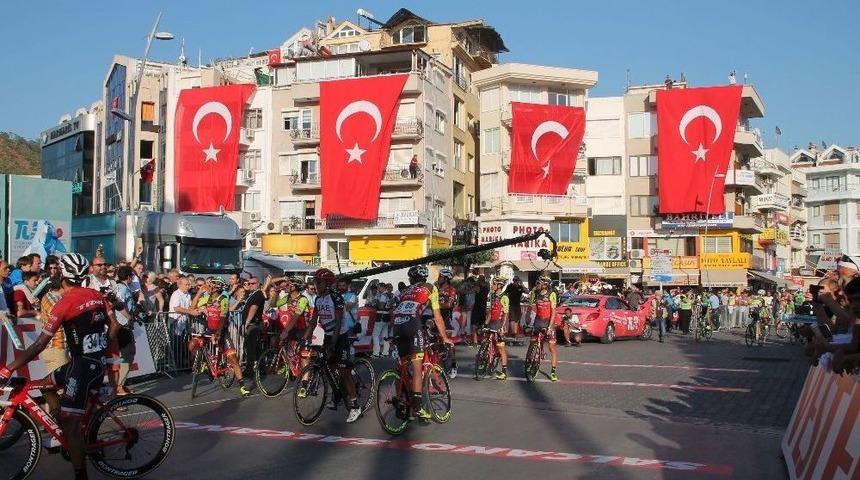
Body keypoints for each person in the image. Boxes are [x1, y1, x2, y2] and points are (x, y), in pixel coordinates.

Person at [1, 253, 120, 480]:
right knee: (44, 386)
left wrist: (10, 368)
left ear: (63, 274)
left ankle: (80, 472)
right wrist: (102, 347)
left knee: (71, 424)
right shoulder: (97, 295)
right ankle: (65, 426)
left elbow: (39, 345)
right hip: (90, 363)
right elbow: (114, 325)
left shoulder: (64, 303)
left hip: (82, 368)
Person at [298, 268, 362, 423]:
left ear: (327, 284)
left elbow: (339, 322)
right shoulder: (318, 299)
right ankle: (337, 395)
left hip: (341, 337)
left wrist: (333, 343)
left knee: (344, 371)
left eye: (318, 282)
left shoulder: (336, 298)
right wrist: (304, 339)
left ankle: (355, 406)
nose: (315, 285)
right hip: (328, 336)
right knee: (329, 368)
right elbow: (313, 322)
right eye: (315, 282)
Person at [389, 265, 453, 420]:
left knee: (401, 366)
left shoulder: (405, 291)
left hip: (397, 324)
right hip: (412, 324)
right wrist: (444, 337)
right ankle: (417, 408)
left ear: (411, 279)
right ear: (424, 278)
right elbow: (437, 316)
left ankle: (401, 400)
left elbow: (396, 311)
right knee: (417, 365)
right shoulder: (431, 288)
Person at [195, 277, 250, 397]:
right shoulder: (207, 298)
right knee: (194, 342)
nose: (209, 287)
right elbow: (193, 306)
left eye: (211, 285)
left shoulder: (223, 299)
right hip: (210, 329)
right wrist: (199, 293)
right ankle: (205, 363)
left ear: (216, 288)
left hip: (222, 331)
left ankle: (242, 386)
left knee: (233, 359)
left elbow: (223, 317)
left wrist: (218, 333)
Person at [529, 275, 559, 381]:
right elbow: (531, 308)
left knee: (552, 347)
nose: (537, 284)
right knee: (533, 342)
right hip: (538, 321)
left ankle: (553, 371)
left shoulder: (551, 294)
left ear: (545, 285)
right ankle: (533, 360)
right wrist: (528, 320)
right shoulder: (535, 293)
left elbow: (553, 312)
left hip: (548, 322)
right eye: (537, 282)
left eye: (539, 283)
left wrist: (550, 327)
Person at [113, 266, 137, 396]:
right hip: (122, 327)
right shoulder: (122, 288)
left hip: (121, 326)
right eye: (132, 276)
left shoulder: (120, 287)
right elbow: (119, 305)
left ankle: (120, 383)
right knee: (127, 355)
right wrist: (129, 317)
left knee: (125, 355)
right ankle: (119, 386)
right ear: (128, 277)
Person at [484, 276, 510, 379]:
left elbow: (506, 314)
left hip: (500, 324)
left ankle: (504, 372)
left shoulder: (504, 297)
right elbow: (490, 312)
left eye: (494, 284)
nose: (492, 285)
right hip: (492, 323)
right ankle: (486, 361)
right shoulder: (492, 295)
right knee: (487, 343)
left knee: (501, 348)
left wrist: (502, 327)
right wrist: (485, 323)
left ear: (499, 285)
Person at [241, 276, 266, 381]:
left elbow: (253, 308)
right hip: (254, 324)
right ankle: (261, 369)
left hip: (253, 325)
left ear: (258, 284)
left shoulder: (258, 294)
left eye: (253, 283)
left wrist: (247, 322)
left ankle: (249, 370)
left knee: (251, 348)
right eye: (249, 283)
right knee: (257, 348)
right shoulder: (253, 294)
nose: (250, 285)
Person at [277, 277, 310, 342]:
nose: (284, 287)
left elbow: (296, 316)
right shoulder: (288, 298)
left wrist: (285, 331)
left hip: (301, 330)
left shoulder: (303, 299)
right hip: (291, 328)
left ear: (293, 287)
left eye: (287, 285)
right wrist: (276, 293)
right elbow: (274, 304)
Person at [437, 269, 458, 336]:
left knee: (445, 339)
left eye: (440, 276)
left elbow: (449, 305)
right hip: (435, 316)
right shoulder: (436, 289)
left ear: (446, 279)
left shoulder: (451, 289)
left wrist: (435, 305)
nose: (438, 278)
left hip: (446, 317)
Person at [471, 275, 490, 346]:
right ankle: (482, 340)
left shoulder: (478, 286)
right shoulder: (487, 287)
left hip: (477, 307)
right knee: (482, 325)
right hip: (483, 307)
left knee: (474, 325)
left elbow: (472, 290)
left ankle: (475, 341)